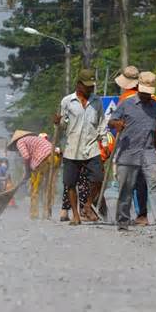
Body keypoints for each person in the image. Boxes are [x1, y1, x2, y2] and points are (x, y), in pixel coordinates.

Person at [108, 72, 156, 232]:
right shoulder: (126, 104)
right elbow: (111, 121)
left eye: (149, 93)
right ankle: (123, 220)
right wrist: (116, 123)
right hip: (128, 152)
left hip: (148, 151)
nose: (147, 95)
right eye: (144, 92)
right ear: (139, 88)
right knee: (126, 188)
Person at [54, 69, 107, 225]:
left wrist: (103, 142)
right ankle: (76, 215)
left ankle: (87, 205)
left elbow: (101, 123)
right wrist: (58, 122)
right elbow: (64, 125)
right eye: (87, 86)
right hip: (72, 148)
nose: (90, 89)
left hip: (91, 147)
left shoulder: (97, 102)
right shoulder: (67, 102)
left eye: (92, 86)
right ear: (78, 84)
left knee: (98, 179)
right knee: (70, 184)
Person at [7, 130, 54, 220]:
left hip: (43, 160)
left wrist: (28, 171)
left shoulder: (20, 142)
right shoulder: (33, 139)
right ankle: (47, 212)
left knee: (35, 188)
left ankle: (34, 214)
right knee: (48, 186)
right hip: (55, 157)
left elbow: (26, 156)